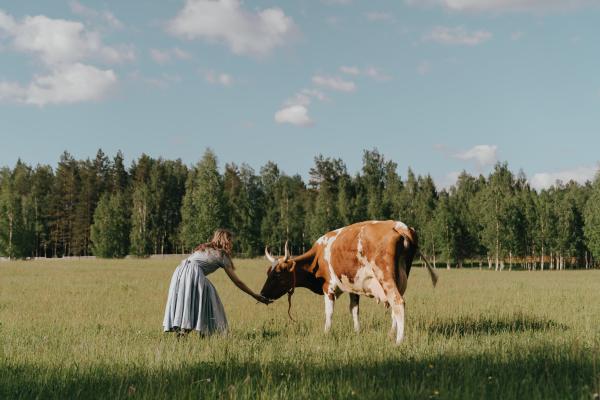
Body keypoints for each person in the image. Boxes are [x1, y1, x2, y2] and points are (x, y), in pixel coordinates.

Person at [163, 229, 271, 335]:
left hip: (179, 271)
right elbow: (237, 282)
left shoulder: (204, 248)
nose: (231, 243)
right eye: (230, 240)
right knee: (205, 298)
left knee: (196, 298)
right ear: (226, 240)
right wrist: (254, 295)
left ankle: (192, 331)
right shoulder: (222, 255)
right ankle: (208, 330)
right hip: (192, 273)